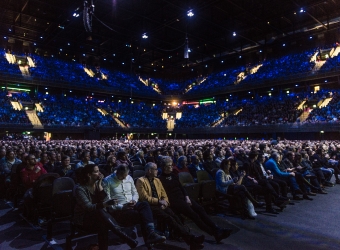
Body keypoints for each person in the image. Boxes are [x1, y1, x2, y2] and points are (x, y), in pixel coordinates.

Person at [159, 156, 232, 242]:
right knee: (194, 215)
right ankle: (214, 233)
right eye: (170, 165)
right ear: (164, 167)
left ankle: (216, 228)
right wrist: (182, 201)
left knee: (200, 209)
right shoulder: (160, 179)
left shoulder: (173, 175)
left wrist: (187, 197)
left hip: (183, 198)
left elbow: (181, 187)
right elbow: (166, 195)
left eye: (171, 165)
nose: (172, 166)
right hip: (175, 201)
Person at [136, 162, 205, 249]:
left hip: (161, 205)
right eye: (155, 169)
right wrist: (159, 202)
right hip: (150, 206)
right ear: (149, 171)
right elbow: (144, 198)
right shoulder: (140, 181)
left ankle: (191, 240)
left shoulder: (157, 180)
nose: (158, 171)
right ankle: (191, 240)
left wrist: (165, 202)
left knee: (175, 217)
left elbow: (164, 193)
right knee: (169, 219)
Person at [74, 164, 138, 250]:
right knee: (99, 212)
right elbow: (88, 207)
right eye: (96, 172)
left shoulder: (98, 184)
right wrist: (104, 204)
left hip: (100, 217)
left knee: (102, 222)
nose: (99, 173)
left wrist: (100, 185)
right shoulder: (80, 189)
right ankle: (125, 237)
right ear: (89, 175)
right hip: (84, 219)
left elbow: (106, 199)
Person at [102, 164, 166, 247]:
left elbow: (135, 193)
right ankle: (149, 239)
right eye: (122, 176)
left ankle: (151, 232)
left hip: (132, 204)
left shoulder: (129, 178)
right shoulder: (107, 181)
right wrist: (122, 206)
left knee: (145, 205)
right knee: (142, 215)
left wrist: (134, 200)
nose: (124, 178)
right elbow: (108, 202)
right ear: (117, 173)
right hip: (120, 209)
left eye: (126, 176)